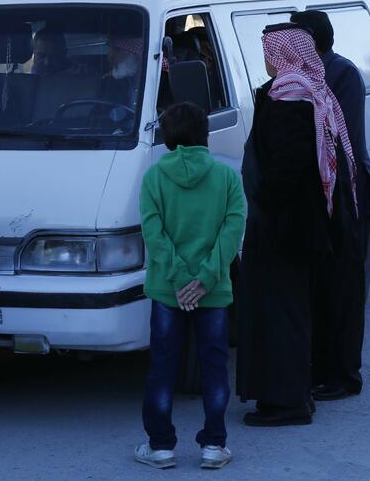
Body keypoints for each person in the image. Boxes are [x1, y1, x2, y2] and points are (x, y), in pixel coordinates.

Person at [237, 24, 357, 427]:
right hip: (298, 225)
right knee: (291, 310)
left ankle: (286, 401)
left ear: (284, 52)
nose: (266, 57)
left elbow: (285, 169)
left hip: (283, 227)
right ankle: (293, 393)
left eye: (269, 49)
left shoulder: (290, 95)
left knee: (280, 313)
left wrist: (263, 204)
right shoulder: (309, 89)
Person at [134, 102, 246, 471]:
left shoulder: (153, 178)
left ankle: (161, 447)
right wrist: (205, 278)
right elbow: (232, 231)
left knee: (163, 367)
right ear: (204, 135)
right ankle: (214, 445)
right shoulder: (227, 178)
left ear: (167, 137)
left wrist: (181, 279)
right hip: (212, 291)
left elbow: (154, 234)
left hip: (169, 291)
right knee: (214, 367)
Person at [290, 10, 370, 403]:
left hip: (348, 196)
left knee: (344, 289)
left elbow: (327, 134)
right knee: (322, 288)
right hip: (323, 198)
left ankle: (344, 375)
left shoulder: (340, 75)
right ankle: (322, 368)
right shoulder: (309, 73)